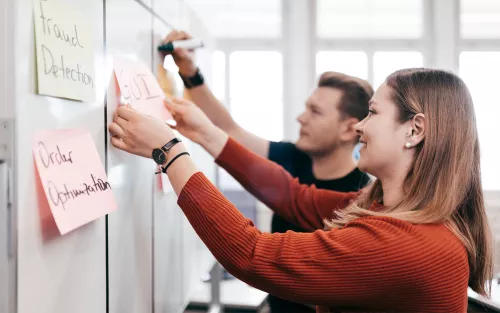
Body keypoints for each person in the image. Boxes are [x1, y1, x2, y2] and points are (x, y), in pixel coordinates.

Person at [109, 68, 493, 312]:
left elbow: (252, 254)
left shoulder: (405, 243)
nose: (361, 126)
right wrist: (207, 134)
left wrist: (171, 153)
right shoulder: (385, 207)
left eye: (374, 113)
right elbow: (294, 197)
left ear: (415, 130)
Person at [162, 30, 373, 312]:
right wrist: (189, 72)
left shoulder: (363, 198)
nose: (301, 117)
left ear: (351, 128)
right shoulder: (292, 157)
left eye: (315, 112)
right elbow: (230, 132)